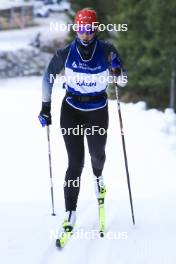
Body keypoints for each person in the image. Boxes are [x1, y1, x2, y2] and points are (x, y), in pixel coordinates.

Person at [38, 8, 127, 244]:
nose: (85, 34)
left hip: (97, 111)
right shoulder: (66, 53)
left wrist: (117, 69)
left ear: (95, 29)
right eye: (80, 29)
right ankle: (70, 213)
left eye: (89, 29)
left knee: (97, 156)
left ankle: (99, 179)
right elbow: (48, 76)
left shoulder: (107, 50)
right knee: (74, 164)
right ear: (75, 29)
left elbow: (122, 82)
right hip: (72, 111)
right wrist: (45, 107)